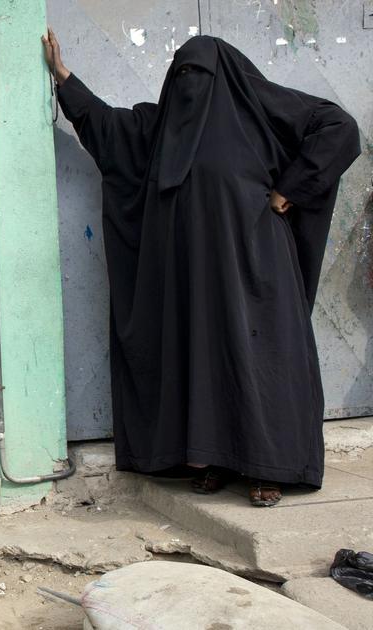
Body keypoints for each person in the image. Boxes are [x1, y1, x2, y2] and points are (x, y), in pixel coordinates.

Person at [42, 29, 360, 506]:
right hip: (190, 278)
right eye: (182, 74)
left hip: (255, 270)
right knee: (203, 363)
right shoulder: (160, 128)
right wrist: (64, 77)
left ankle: (268, 468)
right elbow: (108, 128)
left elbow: (340, 129)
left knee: (261, 363)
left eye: (200, 74)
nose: (190, 83)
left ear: (225, 76)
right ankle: (214, 460)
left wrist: (289, 189)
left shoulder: (262, 114)